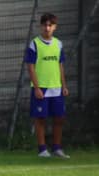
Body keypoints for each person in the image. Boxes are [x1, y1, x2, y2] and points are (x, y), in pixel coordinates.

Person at [25, 12, 69, 158]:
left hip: (56, 87)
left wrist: (64, 85)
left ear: (55, 27)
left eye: (50, 25)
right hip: (41, 88)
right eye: (44, 25)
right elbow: (30, 67)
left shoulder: (58, 44)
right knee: (41, 118)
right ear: (41, 26)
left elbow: (60, 66)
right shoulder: (34, 44)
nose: (47, 28)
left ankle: (57, 148)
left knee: (59, 118)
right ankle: (42, 149)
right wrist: (36, 87)